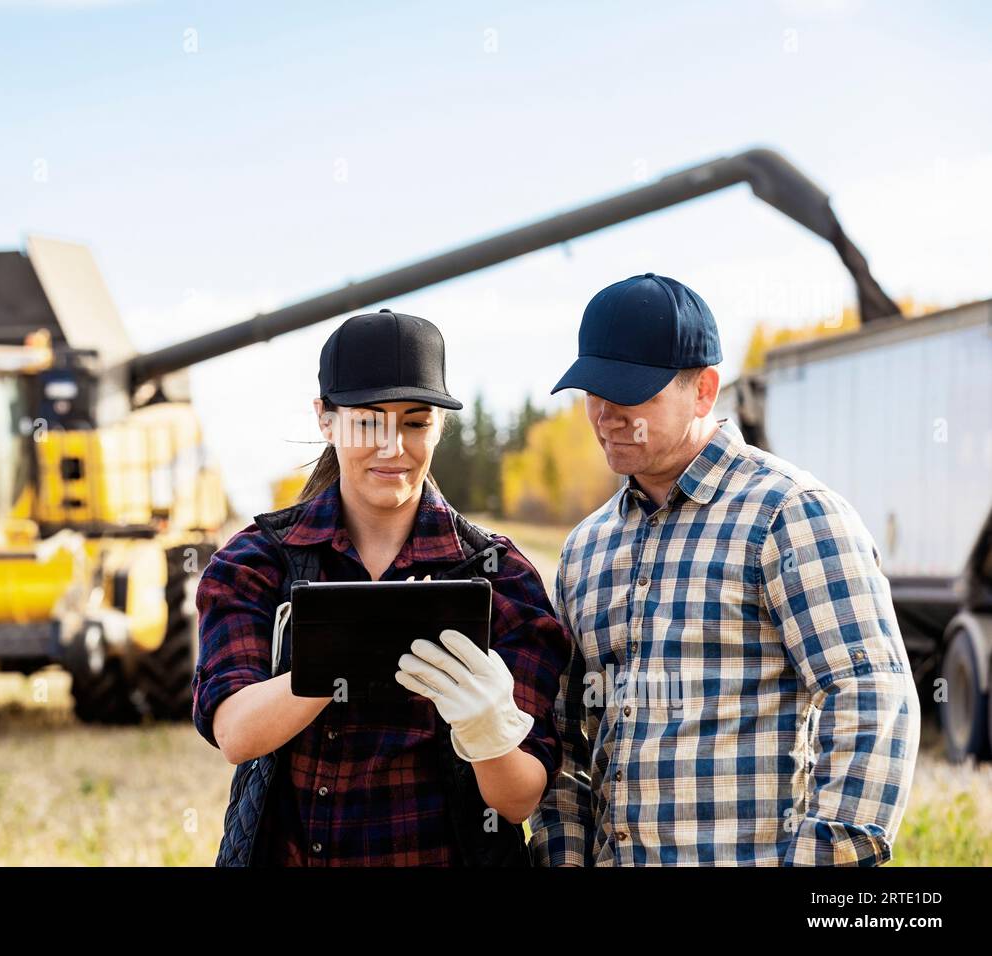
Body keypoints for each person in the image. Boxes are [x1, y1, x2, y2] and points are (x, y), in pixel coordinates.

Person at [530, 273, 920, 866]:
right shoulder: (585, 549)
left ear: (705, 391)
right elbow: (561, 740)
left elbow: (872, 699)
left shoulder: (790, 515)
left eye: (630, 394)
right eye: (592, 392)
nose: (606, 415)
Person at [193, 308, 569, 866]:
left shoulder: (498, 576)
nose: (393, 447)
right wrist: (357, 646)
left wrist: (487, 728)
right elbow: (236, 734)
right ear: (326, 420)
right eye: (368, 421)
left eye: (416, 423)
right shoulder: (257, 562)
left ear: (438, 426)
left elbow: (517, 801)